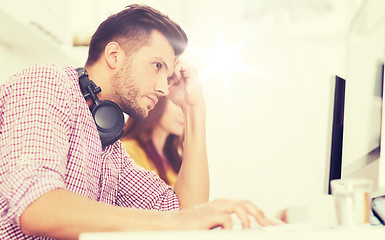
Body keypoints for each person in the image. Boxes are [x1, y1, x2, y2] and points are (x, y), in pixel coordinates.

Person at [0, 4, 270, 240]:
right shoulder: (46, 84)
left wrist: (194, 110)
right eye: (157, 66)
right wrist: (176, 223)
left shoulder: (111, 150)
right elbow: (35, 204)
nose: (164, 88)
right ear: (114, 56)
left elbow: (185, 214)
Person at [121, 97, 183, 187]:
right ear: (156, 102)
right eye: (177, 104)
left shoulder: (173, 159)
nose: (183, 113)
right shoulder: (128, 151)